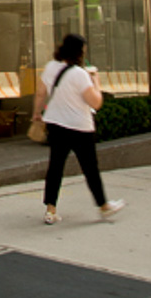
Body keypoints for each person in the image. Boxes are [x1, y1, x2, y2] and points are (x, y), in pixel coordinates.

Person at [36, 33, 124, 224]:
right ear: (79, 52)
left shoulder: (51, 67)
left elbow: (40, 93)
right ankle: (103, 206)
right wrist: (96, 83)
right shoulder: (80, 74)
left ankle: (50, 209)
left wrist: (37, 114)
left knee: (55, 166)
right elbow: (96, 102)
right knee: (90, 168)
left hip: (56, 124)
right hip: (79, 127)